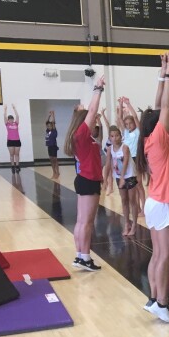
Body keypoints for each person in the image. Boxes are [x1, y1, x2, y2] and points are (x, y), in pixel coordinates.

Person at [136, 53, 169, 323]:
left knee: (158, 254)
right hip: (164, 203)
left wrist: (162, 73)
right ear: (159, 128)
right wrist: (167, 76)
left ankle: (154, 299)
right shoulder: (157, 140)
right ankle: (162, 304)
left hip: (156, 202)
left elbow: (157, 109)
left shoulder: (150, 140)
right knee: (165, 257)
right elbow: (165, 108)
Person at [64, 78, 106, 272]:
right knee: (87, 222)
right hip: (88, 181)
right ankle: (85, 257)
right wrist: (98, 89)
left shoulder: (80, 136)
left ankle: (80, 256)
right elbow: (91, 111)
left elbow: (90, 116)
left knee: (82, 221)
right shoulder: (81, 134)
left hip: (84, 179)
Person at [3, 104, 20, 173]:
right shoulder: (7, 124)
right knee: (11, 154)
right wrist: (5, 109)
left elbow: (17, 116)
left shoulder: (16, 123)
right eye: (9, 119)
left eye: (11, 119)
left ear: (13, 119)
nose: (10, 120)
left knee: (17, 154)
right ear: (8, 120)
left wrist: (14, 108)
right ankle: (12, 166)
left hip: (17, 140)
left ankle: (17, 166)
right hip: (10, 141)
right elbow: (4, 116)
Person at [45, 111, 60, 179]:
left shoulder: (54, 130)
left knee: (55, 160)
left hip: (53, 146)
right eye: (48, 126)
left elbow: (53, 122)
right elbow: (46, 122)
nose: (49, 127)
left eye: (50, 126)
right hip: (49, 147)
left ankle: (57, 172)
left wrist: (53, 115)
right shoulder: (47, 131)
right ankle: (54, 172)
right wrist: (49, 115)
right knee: (51, 160)